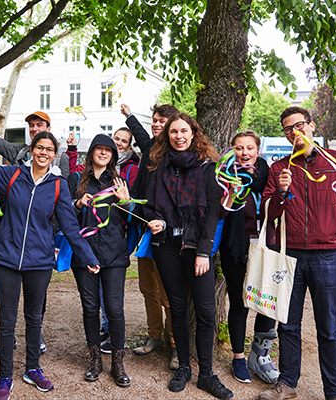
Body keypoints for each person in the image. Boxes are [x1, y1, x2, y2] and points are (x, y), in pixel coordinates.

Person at [0, 131, 100, 400]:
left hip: (39, 261)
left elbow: (70, 226)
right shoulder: (14, 174)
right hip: (6, 258)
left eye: (49, 149)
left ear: (55, 154)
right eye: (39, 147)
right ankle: (5, 375)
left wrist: (87, 256)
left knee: (33, 319)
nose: (43, 152)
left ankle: (32, 368)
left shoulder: (58, 185)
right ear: (31, 150)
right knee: (6, 321)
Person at [259, 107, 336, 400]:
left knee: (329, 330)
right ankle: (288, 383)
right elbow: (267, 212)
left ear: (311, 125)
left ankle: (334, 392)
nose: (294, 132)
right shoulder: (279, 168)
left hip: (328, 257)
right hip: (289, 256)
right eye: (287, 129)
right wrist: (280, 193)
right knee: (288, 325)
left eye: (298, 126)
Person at [145, 113, 233, 399]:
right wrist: (152, 219)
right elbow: (146, 204)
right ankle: (183, 366)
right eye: (173, 132)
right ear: (166, 135)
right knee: (178, 308)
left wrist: (204, 252)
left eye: (184, 131)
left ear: (194, 134)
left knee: (206, 312)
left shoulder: (208, 168)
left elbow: (212, 212)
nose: (179, 136)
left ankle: (206, 374)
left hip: (197, 248)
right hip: (166, 245)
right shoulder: (158, 166)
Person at [0, 85, 63, 357]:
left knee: (37, 295)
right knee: (8, 301)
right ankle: (6, 340)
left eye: (39, 125)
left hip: (43, 238)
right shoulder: (19, 153)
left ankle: (37, 335)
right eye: (32, 126)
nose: (35, 129)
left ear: (48, 126)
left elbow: (60, 203)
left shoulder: (63, 158)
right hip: (12, 234)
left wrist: (54, 240)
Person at [66, 128, 140, 353]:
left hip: (114, 253)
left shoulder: (120, 181)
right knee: (90, 308)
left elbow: (132, 217)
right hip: (84, 254)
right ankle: (95, 358)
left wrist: (127, 202)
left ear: (113, 156)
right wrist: (78, 204)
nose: (104, 153)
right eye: (100, 148)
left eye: (108, 150)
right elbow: (65, 217)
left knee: (115, 309)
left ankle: (118, 360)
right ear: (91, 152)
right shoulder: (76, 179)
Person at [120, 103, 179, 369]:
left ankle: (176, 345)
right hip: (145, 228)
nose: (156, 124)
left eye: (161, 121)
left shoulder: (175, 155)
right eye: (154, 120)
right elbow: (142, 135)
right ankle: (154, 335)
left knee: (169, 292)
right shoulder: (150, 150)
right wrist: (130, 116)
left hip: (166, 233)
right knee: (148, 288)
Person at [218, 131, 280, 384]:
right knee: (239, 303)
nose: (244, 153)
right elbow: (219, 214)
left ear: (258, 151)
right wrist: (230, 193)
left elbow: (278, 207)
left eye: (249, 148)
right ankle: (239, 357)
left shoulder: (269, 176)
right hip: (235, 248)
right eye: (239, 148)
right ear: (232, 150)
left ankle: (261, 356)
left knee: (267, 303)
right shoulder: (224, 176)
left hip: (266, 247)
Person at [66, 128, 139, 186]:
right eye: (116, 139)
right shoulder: (96, 162)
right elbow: (72, 174)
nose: (119, 143)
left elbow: (131, 193)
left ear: (129, 147)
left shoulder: (132, 169)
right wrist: (72, 148)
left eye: (124, 141)